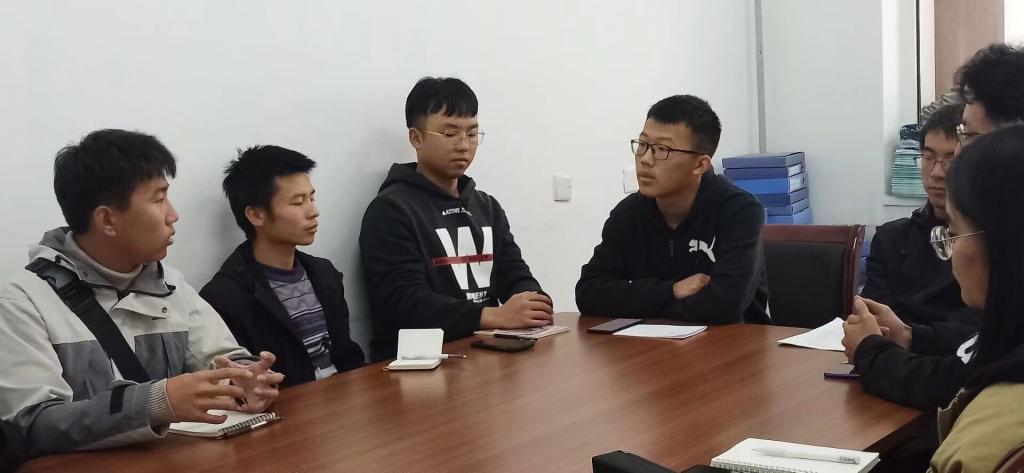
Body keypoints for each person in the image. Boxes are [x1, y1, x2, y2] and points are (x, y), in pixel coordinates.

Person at [0, 129, 282, 457]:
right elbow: (33, 425)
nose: (173, 214)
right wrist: (156, 402)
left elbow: (223, 360)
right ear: (107, 219)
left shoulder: (171, 285)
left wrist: (246, 382)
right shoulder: (24, 302)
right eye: (159, 199)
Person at [846, 42, 1024, 412]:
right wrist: (905, 338)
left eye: (968, 138)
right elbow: (962, 371)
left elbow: (955, 385)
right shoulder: (896, 237)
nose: (955, 158)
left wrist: (874, 351)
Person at [846, 125, 1024, 472]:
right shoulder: (1005, 341)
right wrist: (901, 338)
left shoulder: (995, 420)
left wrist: (872, 349)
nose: (938, 172)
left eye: (954, 234)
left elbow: (948, 381)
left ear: (1002, 241)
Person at [359, 77, 552, 361]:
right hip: (419, 362)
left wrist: (532, 302)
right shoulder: (390, 210)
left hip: (486, 352)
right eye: (450, 133)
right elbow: (405, 302)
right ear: (416, 138)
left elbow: (514, 273)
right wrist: (493, 316)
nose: (463, 145)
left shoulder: (486, 206)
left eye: (472, 133)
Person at [575, 95, 769, 324]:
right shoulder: (628, 214)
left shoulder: (739, 211)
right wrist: (672, 291)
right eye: (643, 145)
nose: (646, 159)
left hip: (734, 341)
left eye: (662, 149)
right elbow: (588, 293)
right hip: (648, 342)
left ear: (699, 165)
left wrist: (640, 303)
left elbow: (724, 305)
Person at [201, 145, 366, 386]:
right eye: (298, 203)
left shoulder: (324, 274)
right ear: (256, 215)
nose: (313, 211)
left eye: (311, 198)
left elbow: (348, 357)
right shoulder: (226, 297)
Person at [861, 103, 977, 346]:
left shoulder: (987, 242)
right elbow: (873, 319)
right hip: (891, 358)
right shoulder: (891, 238)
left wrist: (909, 335)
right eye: (928, 157)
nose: (936, 173)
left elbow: (980, 332)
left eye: (951, 159)